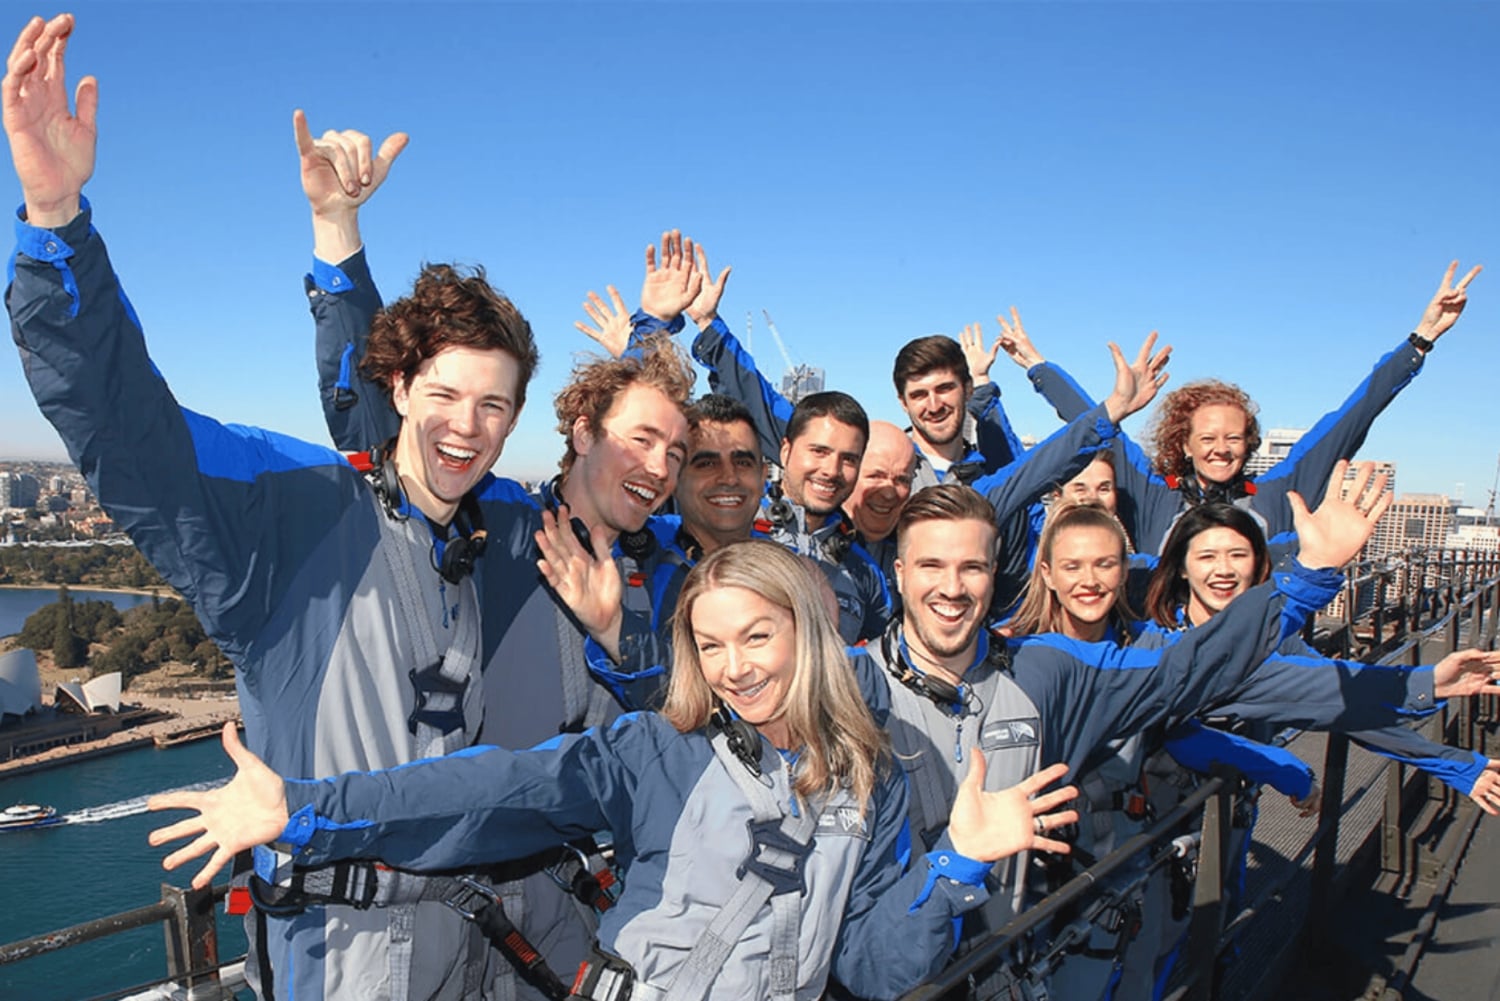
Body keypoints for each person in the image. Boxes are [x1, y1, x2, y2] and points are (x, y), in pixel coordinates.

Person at [1, 15, 545, 1000]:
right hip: (343, 965)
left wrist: (339, 242)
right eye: (446, 393)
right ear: (404, 388)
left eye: (495, 403)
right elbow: (127, 427)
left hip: (473, 954)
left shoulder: (496, 530)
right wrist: (54, 217)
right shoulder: (293, 511)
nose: (467, 425)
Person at [149, 541, 1083, 1001]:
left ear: (811, 633)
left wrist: (957, 864)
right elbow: (492, 785)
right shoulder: (658, 751)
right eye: (711, 644)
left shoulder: (870, 775)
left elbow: (876, 970)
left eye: (759, 634)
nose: (737, 666)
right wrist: (307, 808)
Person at [848, 469, 1500, 993]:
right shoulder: (843, 681)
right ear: (898, 573)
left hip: (1012, 959)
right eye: (931, 566)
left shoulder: (1048, 669)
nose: (953, 587)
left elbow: (1200, 668)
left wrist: (1310, 583)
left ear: (997, 572)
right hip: (885, 962)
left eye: (973, 567)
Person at [996, 270, 1481, 556]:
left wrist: (1419, 341)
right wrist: (1037, 366)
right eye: (1206, 439)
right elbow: (1089, 422)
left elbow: (1352, 417)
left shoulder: (1275, 495)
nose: (1220, 449)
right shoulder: (1153, 496)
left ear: (1250, 443)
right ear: (1183, 444)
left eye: (1232, 438)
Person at [892, 326, 1026, 486]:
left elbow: (1017, 475)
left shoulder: (988, 474)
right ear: (903, 403)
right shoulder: (884, 472)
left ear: (969, 389)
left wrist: (982, 381)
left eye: (944, 389)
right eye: (919, 395)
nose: (934, 407)